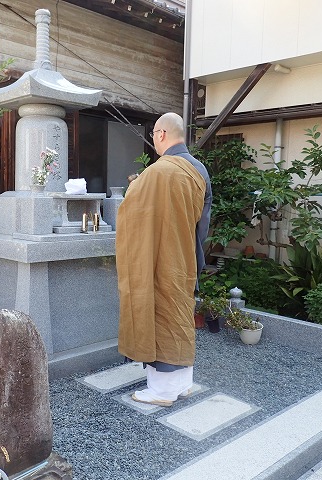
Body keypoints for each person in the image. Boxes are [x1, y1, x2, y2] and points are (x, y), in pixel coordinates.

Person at [116, 112, 212, 407]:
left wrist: (133, 189)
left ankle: (162, 391)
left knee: (161, 317)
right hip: (186, 256)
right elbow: (202, 223)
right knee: (181, 315)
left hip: (160, 259)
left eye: (154, 136)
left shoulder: (158, 173)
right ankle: (182, 384)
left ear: (160, 135)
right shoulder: (199, 170)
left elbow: (134, 212)